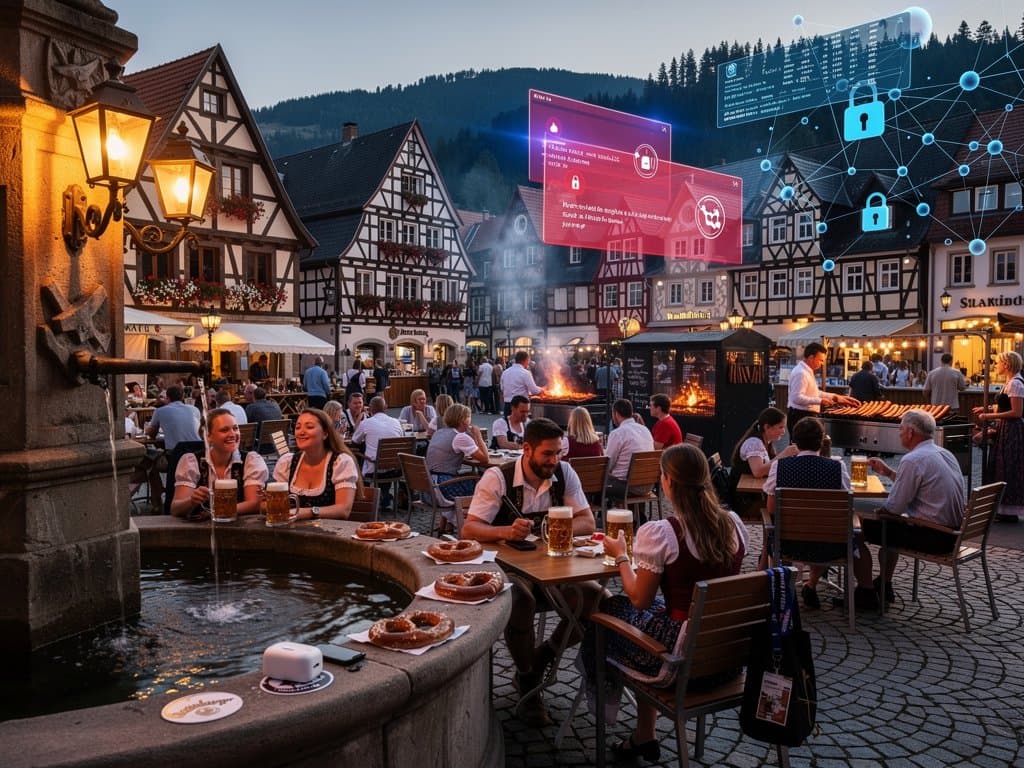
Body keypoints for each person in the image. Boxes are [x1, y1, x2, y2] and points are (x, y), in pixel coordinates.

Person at [579, 444, 748, 761]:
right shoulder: (734, 525)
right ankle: (645, 735)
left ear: (668, 480)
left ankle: (601, 704)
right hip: (727, 659)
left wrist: (621, 558)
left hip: (680, 664)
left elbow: (639, 600)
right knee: (656, 617)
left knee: (609, 611)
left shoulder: (663, 534)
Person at [463, 418, 599, 725]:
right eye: (547, 454)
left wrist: (545, 526)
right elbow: (468, 529)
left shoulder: (564, 473)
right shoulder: (498, 478)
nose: (554, 460)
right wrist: (507, 532)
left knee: (596, 600)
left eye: (558, 453)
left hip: (553, 566)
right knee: (519, 601)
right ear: (526, 449)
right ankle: (527, 680)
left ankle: (541, 658)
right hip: (508, 565)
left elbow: (587, 523)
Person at [763, 417, 870, 608]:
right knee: (828, 529)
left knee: (783, 527)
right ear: (821, 441)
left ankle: (779, 593)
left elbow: (771, 509)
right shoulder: (837, 468)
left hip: (787, 544)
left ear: (794, 441)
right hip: (829, 546)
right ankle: (811, 585)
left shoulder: (780, 467)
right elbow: (846, 506)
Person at [861, 409, 966, 601]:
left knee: (860, 529)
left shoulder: (913, 459)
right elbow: (917, 489)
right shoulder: (944, 453)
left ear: (910, 432)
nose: (899, 433)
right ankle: (884, 584)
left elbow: (894, 508)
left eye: (900, 429)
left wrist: (870, 514)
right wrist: (889, 473)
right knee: (888, 528)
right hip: (954, 534)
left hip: (934, 537)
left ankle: (865, 591)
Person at [169, 408, 268, 520]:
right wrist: (191, 500)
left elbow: (254, 503)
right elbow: (175, 509)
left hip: (240, 530)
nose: (232, 434)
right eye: (224, 430)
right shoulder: (191, 461)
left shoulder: (250, 460)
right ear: (208, 436)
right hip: (201, 532)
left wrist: (218, 512)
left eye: (235, 428)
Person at [271, 408, 362, 520]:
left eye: (309, 427)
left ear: (325, 434)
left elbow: (343, 510)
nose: (301, 432)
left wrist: (307, 512)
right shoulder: (287, 463)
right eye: (298, 427)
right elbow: (277, 505)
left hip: (329, 533)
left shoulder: (341, 462)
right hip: (292, 532)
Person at [973, 351, 1024, 522]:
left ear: (1007, 364)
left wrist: (988, 417)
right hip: (1006, 428)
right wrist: (986, 408)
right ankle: (1001, 509)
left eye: (999, 363)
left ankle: (1008, 511)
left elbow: (1016, 412)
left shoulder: (1016, 384)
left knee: (1008, 467)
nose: (996, 365)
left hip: (1012, 430)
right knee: (1000, 466)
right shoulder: (1010, 382)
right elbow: (1004, 406)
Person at [424, 403, 487, 531]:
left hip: (428, 486)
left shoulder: (439, 432)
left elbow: (446, 455)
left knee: (467, 477)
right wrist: (478, 435)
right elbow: (485, 459)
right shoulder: (460, 437)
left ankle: (448, 525)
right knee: (484, 484)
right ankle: (473, 525)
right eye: (469, 417)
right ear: (464, 420)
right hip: (443, 488)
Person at [727, 406, 799, 517]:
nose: (783, 432)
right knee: (782, 508)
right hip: (744, 502)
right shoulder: (754, 443)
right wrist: (784, 454)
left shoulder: (766, 441)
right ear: (767, 427)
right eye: (780, 427)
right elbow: (758, 472)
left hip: (750, 497)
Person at [146, 384, 203, 515]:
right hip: (197, 453)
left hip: (175, 457)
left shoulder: (160, 411)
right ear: (183, 396)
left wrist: (148, 428)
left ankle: (158, 503)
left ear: (167, 398)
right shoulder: (194, 409)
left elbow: (151, 434)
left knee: (151, 466)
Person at [786, 342, 860, 434]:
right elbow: (796, 398)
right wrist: (820, 401)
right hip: (800, 415)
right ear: (811, 358)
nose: (822, 364)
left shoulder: (807, 371)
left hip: (805, 415)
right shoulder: (801, 373)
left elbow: (815, 392)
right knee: (802, 446)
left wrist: (836, 397)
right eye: (820, 360)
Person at [351, 396, 404, 509]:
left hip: (375, 469)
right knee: (383, 459)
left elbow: (355, 441)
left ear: (370, 409)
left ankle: (364, 498)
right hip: (394, 469)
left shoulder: (366, 423)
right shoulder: (396, 422)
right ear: (386, 408)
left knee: (360, 455)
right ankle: (384, 497)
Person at [605, 398, 655, 504]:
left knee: (596, 483)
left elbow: (608, 465)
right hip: (648, 484)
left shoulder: (617, 433)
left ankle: (604, 517)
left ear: (616, 414)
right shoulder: (645, 430)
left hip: (627, 487)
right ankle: (638, 515)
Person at [501, 350, 543, 416]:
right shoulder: (525, 373)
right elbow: (534, 390)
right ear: (525, 360)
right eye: (528, 360)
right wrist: (542, 389)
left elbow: (502, 388)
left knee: (508, 425)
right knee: (520, 425)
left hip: (507, 405)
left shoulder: (505, 372)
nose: (528, 363)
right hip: (520, 406)